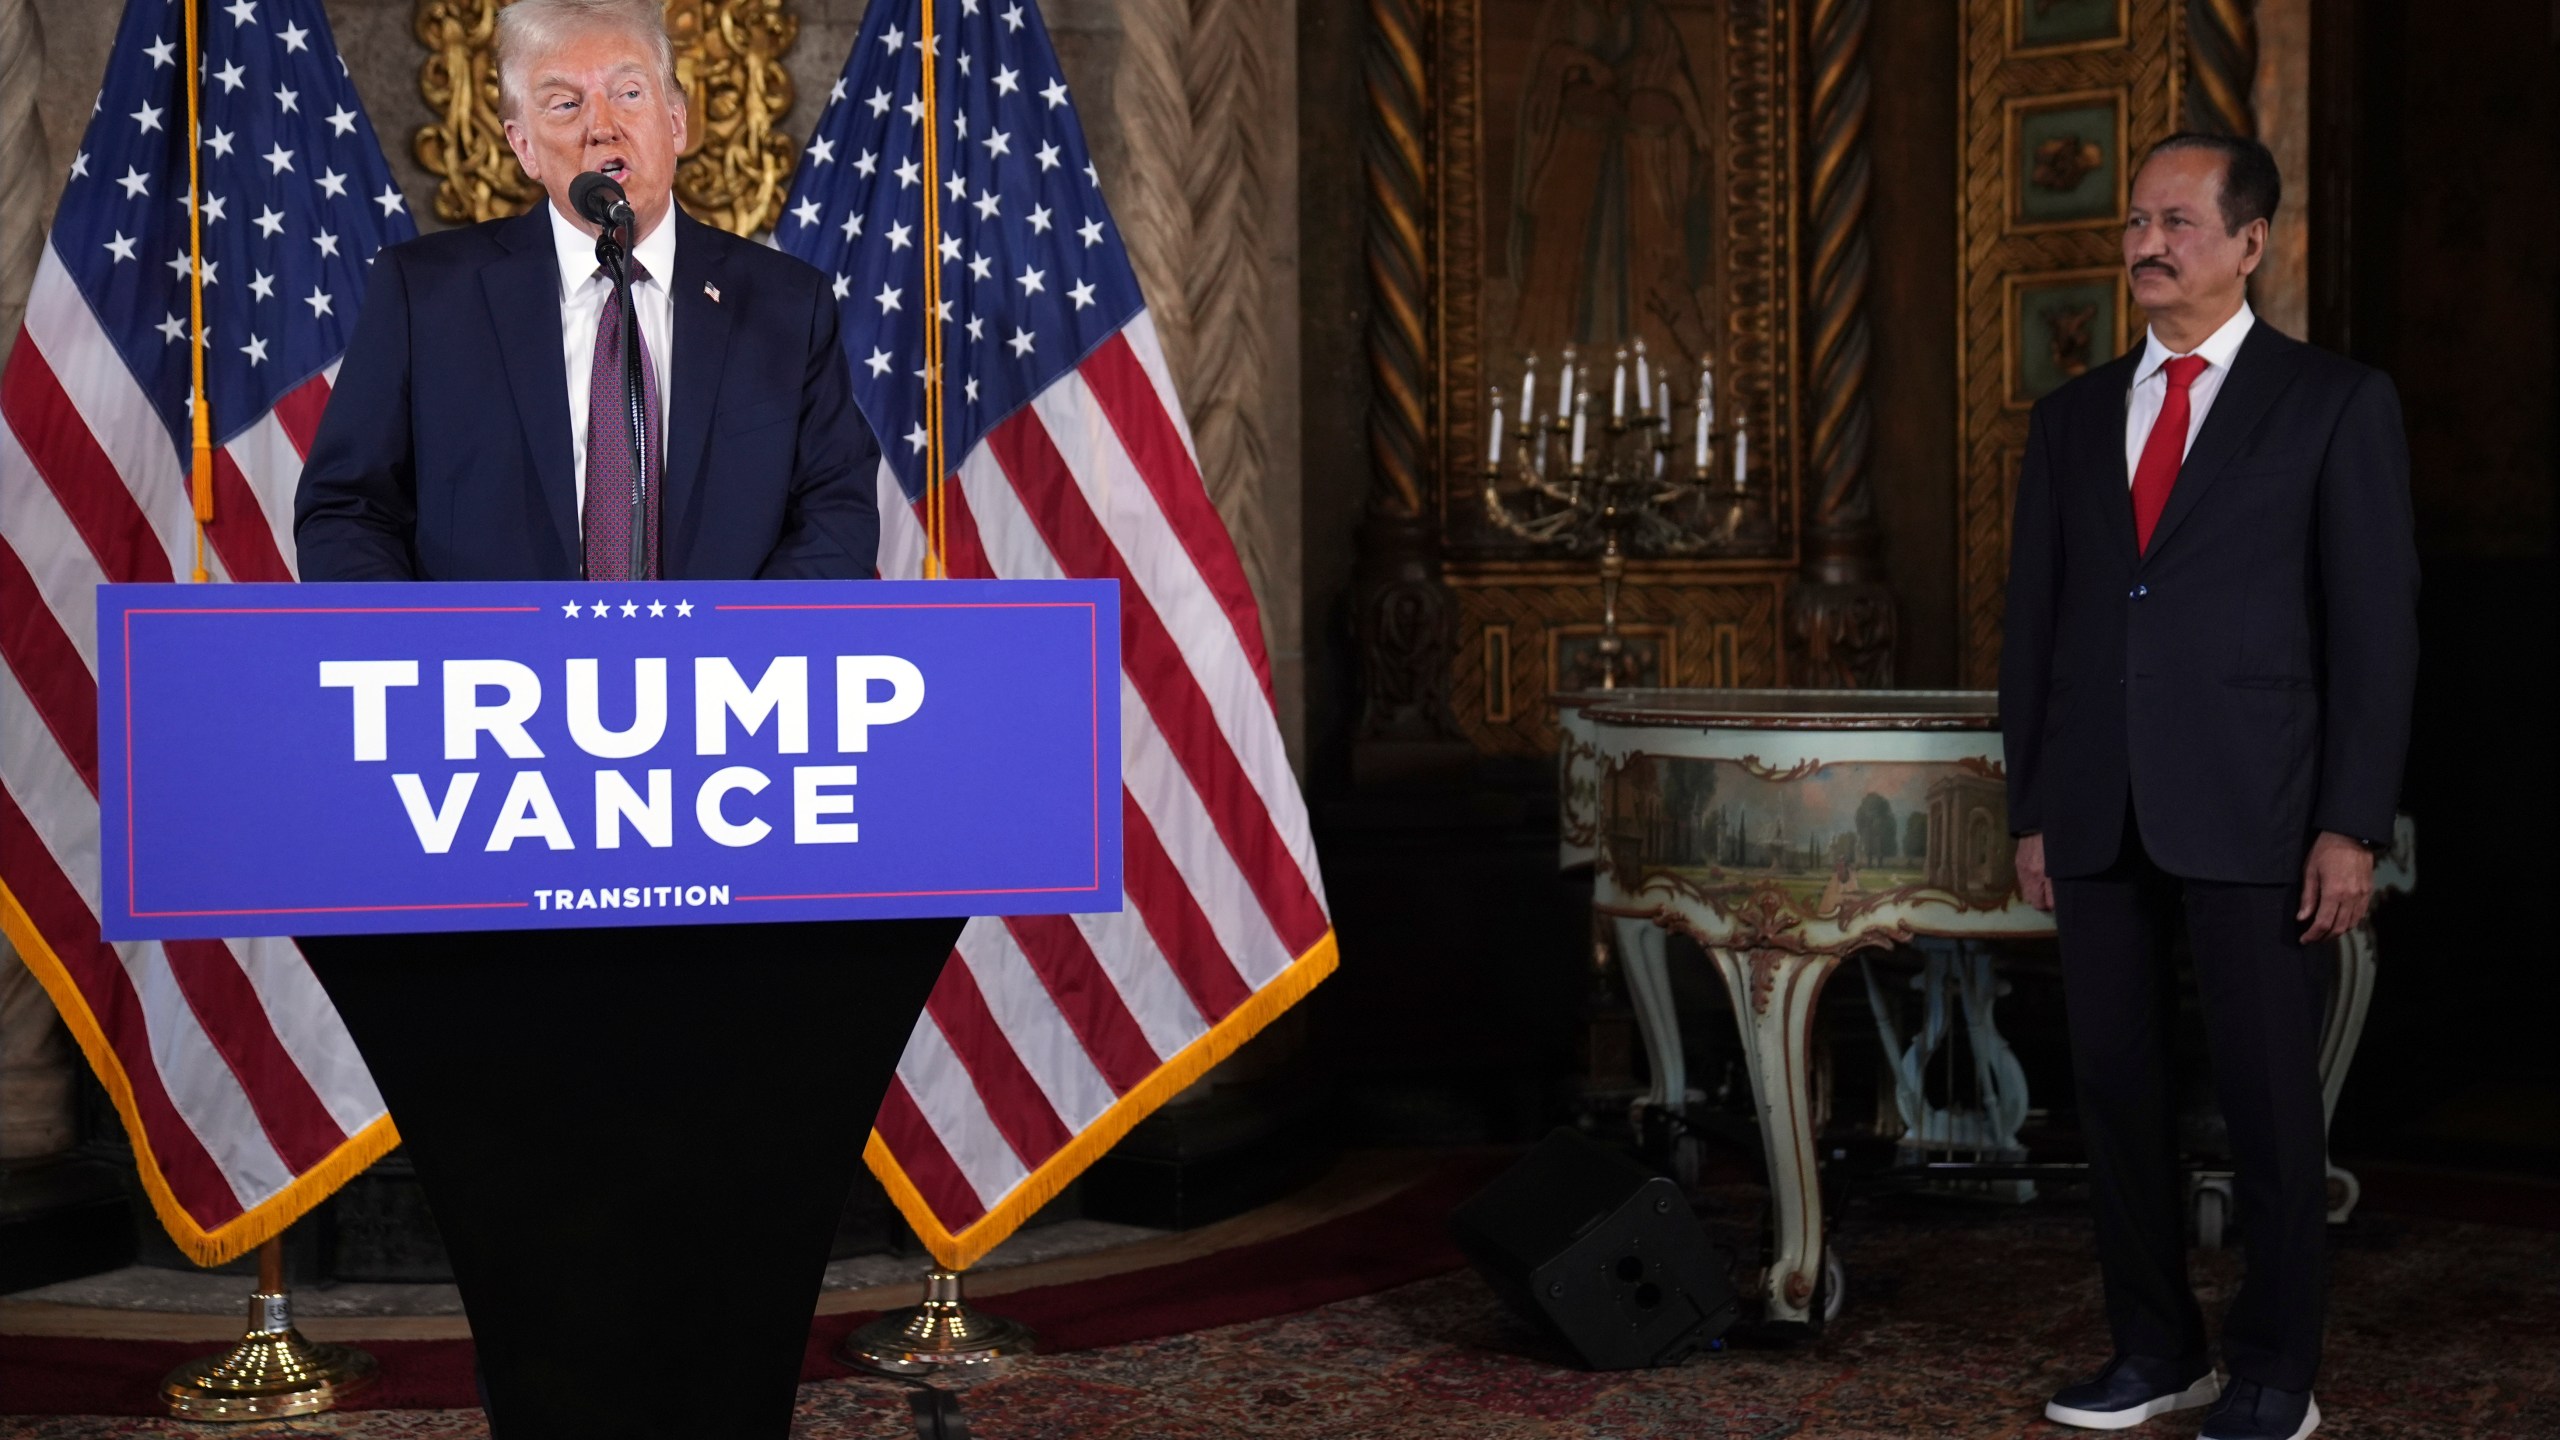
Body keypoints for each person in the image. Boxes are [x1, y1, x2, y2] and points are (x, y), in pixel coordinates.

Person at [292, 2, 956, 1435]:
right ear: (518, 139)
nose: (603, 122)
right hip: (493, 831)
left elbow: (837, 515)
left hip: (729, 830)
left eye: (629, 92)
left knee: (716, 1173)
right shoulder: (424, 293)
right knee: (545, 1200)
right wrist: (441, 682)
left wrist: (731, 672)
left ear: (683, 120)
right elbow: (347, 511)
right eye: (564, 99)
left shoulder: (782, 306)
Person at [1999, 133, 2418, 1440]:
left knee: (2270, 1110)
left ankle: (2275, 1374)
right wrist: (2034, 810)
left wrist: (2350, 823)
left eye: (2177, 221)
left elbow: (2375, 629)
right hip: (2098, 810)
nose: (2146, 242)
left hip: (2261, 809)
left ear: (2250, 244)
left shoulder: (2336, 403)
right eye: (2134, 221)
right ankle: (2152, 1353)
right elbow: (2037, 626)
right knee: (2116, 1099)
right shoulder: (2068, 420)